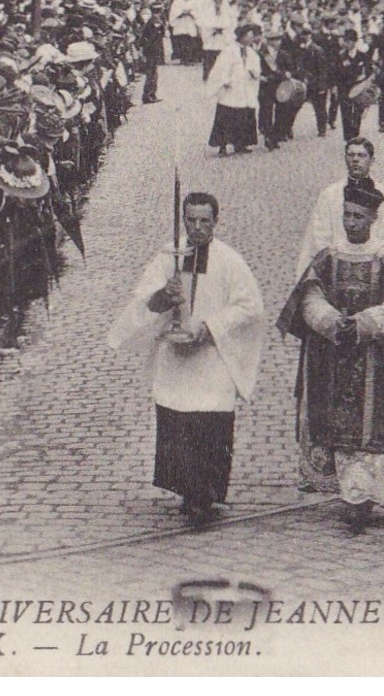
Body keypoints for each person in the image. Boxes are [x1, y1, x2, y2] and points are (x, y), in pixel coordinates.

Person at [277, 183, 384, 530]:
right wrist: (330, 321)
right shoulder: (327, 256)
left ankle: (367, 494)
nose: (351, 223)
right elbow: (309, 296)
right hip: (333, 356)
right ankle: (351, 495)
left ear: (373, 218)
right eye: (346, 215)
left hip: (380, 362)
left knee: (372, 431)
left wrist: (365, 323)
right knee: (340, 430)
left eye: (358, 216)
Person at [107, 192, 265, 526]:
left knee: (209, 426)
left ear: (216, 221)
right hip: (176, 360)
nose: (197, 228)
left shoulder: (230, 261)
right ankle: (185, 489)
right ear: (183, 220)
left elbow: (250, 307)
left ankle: (203, 495)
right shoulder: (169, 257)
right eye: (190, 220)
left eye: (204, 221)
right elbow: (143, 301)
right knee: (177, 425)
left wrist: (209, 327)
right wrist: (163, 296)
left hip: (211, 358)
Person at [296, 138, 384, 275]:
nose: (355, 160)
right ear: (345, 158)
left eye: (362, 155)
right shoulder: (330, 194)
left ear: (372, 160)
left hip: (375, 271)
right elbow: (318, 237)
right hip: (336, 269)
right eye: (351, 155)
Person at [205, 22, 262, 156]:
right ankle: (222, 145)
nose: (251, 39)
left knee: (244, 115)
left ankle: (240, 144)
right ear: (241, 37)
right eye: (249, 36)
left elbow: (256, 67)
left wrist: (254, 72)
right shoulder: (229, 51)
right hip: (232, 88)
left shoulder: (251, 52)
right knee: (227, 116)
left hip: (245, 88)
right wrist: (225, 81)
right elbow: (220, 69)